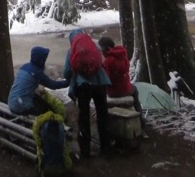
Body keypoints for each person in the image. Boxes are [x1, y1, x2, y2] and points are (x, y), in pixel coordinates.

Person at [64, 29, 112, 158]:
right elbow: (100, 63)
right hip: (100, 83)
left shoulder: (72, 50)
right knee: (102, 114)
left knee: (84, 117)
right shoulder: (94, 46)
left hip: (83, 86)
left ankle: (85, 151)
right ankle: (106, 147)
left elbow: (67, 72)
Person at [98, 35, 147, 136]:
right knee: (135, 90)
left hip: (114, 92)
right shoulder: (123, 55)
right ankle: (140, 118)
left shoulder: (108, 61)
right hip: (126, 89)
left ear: (106, 48)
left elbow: (107, 80)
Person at [8, 46, 69, 116]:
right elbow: (53, 85)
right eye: (44, 59)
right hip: (20, 107)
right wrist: (68, 82)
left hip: (12, 102)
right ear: (41, 60)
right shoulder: (36, 72)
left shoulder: (24, 67)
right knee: (47, 111)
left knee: (39, 100)